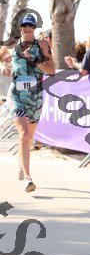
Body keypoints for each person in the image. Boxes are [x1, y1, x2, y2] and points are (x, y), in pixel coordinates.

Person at [5, 13, 55, 192]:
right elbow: (3, 60)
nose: (27, 29)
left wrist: (34, 59)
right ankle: (28, 178)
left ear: (35, 28)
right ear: (20, 28)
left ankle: (21, 162)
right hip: (16, 95)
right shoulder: (11, 45)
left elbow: (52, 70)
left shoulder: (42, 45)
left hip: (35, 97)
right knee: (24, 133)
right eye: (24, 26)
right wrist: (5, 67)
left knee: (29, 136)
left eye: (31, 26)